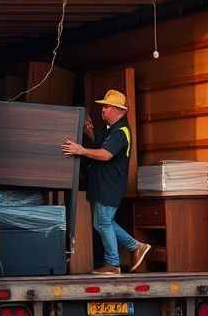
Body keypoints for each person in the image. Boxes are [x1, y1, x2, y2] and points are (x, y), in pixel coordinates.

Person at [62, 89, 151, 276]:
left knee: (104, 223)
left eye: (107, 106)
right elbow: (100, 145)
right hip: (103, 185)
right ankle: (136, 246)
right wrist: (89, 132)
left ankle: (113, 264)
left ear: (119, 110)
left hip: (109, 186)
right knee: (102, 223)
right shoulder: (110, 130)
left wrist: (81, 150)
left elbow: (105, 154)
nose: (103, 110)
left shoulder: (121, 132)